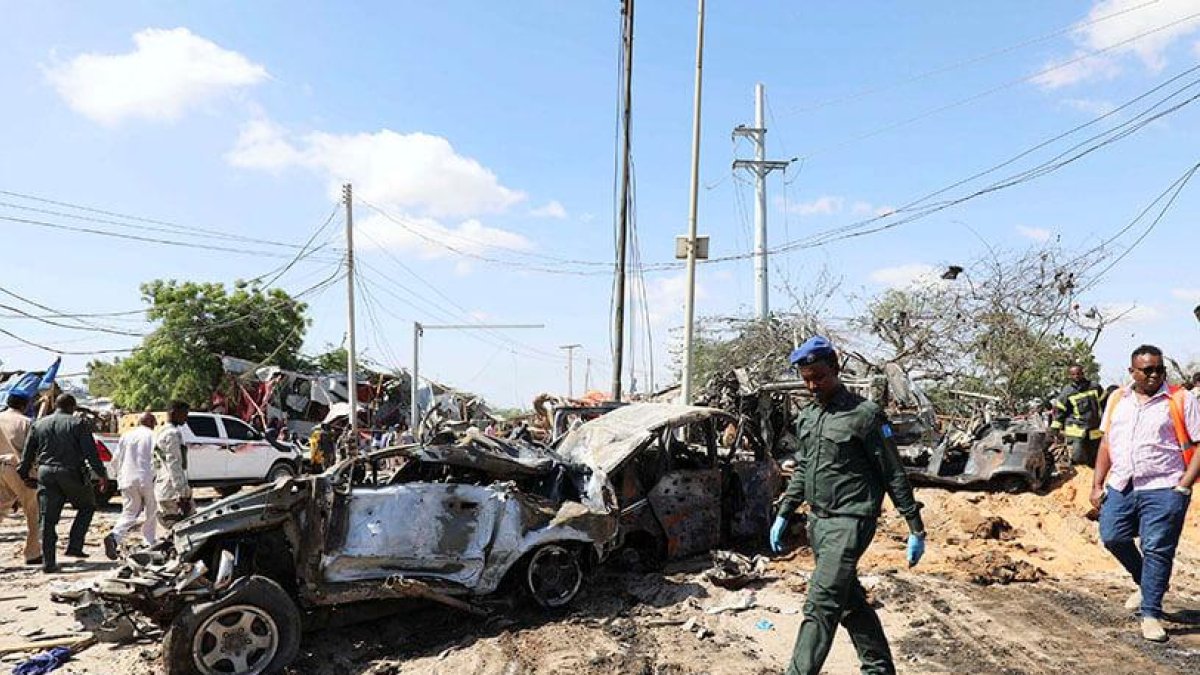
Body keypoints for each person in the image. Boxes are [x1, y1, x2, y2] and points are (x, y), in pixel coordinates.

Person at [769, 336, 926, 675]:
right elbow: (804, 468)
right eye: (806, 378)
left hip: (852, 520)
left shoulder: (865, 415)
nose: (812, 385)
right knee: (848, 601)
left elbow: (893, 473)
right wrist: (784, 512)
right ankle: (879, 668)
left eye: (819, 377)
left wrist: (914, 526)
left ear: (836, 369)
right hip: (819, 523)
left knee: (821, 603)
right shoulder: (808, 417)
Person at [1091, 345, 1199, 643]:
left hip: (1164, 487)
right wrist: (1097, 485)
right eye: (1147, 370)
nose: (1154, 375)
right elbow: (1105, 445)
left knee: (1157, 549)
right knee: (1112, 536)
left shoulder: (1180, 398)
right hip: (1122, 485)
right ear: (1132, 372)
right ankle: (1147, 582)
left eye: (1159, 369)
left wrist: (1184, 486)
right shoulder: (1117, 399)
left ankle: (1151, 612)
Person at [17, 394, 108, 573]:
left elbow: (27, 454)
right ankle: (74, 545)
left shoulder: (39, 424)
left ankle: (49, 562)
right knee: (87, 506)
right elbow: (91, 453)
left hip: (46, 473)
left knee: (47, 519)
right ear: (72, 407)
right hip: (72, 472)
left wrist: (24, 474)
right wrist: (101, 474)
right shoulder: (78, 424)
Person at [104, 412, 159, 559]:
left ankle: (115, 536)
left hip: (127, 479)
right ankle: (149, 541)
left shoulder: (126, 436)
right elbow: (157, 459)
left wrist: (117, 476)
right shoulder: (153, 436)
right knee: (151, 511)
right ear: (151, 422)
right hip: (147, 478)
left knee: (129, 512)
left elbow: (115, 459)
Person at [0, 394, 41, 565]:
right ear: (24, 406)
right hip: (17, 468)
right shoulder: (26, 422)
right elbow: (32, 451)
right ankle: (32, 553)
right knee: (33, 511)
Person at [1051, 364, 1105, 466]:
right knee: (1078, 456)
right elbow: (1060, 411)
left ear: (1083, 373)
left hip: (1095, 428)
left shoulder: (1095, 387)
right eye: (1074, 374)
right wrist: (1055, 428)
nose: (1076, 376)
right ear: (1070, 376)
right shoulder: (1067, 392)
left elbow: (1105, 404)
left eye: (1079, 373)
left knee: (1095, 457)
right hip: (1076, 430)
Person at [154, 401, 194, 531]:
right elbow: (174, 463)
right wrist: (182, 493)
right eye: (184, 414)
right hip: (172, 490)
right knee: (188, 528)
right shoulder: (172, 434)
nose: (186, 418)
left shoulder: (161, 432)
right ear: (173, 413)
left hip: (162, 487)